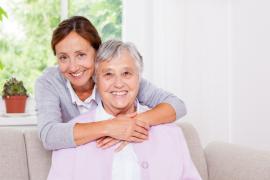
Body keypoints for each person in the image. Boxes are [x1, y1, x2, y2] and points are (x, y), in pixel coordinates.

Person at [47, 40, 201, 180]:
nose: (118, 84)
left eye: (126, 73)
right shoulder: (73, 137)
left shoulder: (170, 133)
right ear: (95, 79)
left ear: (139, 77)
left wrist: (131, 124)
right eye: (108, 74)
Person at [35, 16, 187, 151]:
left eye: (81, 55)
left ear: (97, 54)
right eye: (63, 58)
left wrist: (130, 124)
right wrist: (110, 127)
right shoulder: (49, 82)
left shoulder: (114, 79)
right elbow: (49, 135)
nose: (73, 67)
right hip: (79, 159)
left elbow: (177, 105)